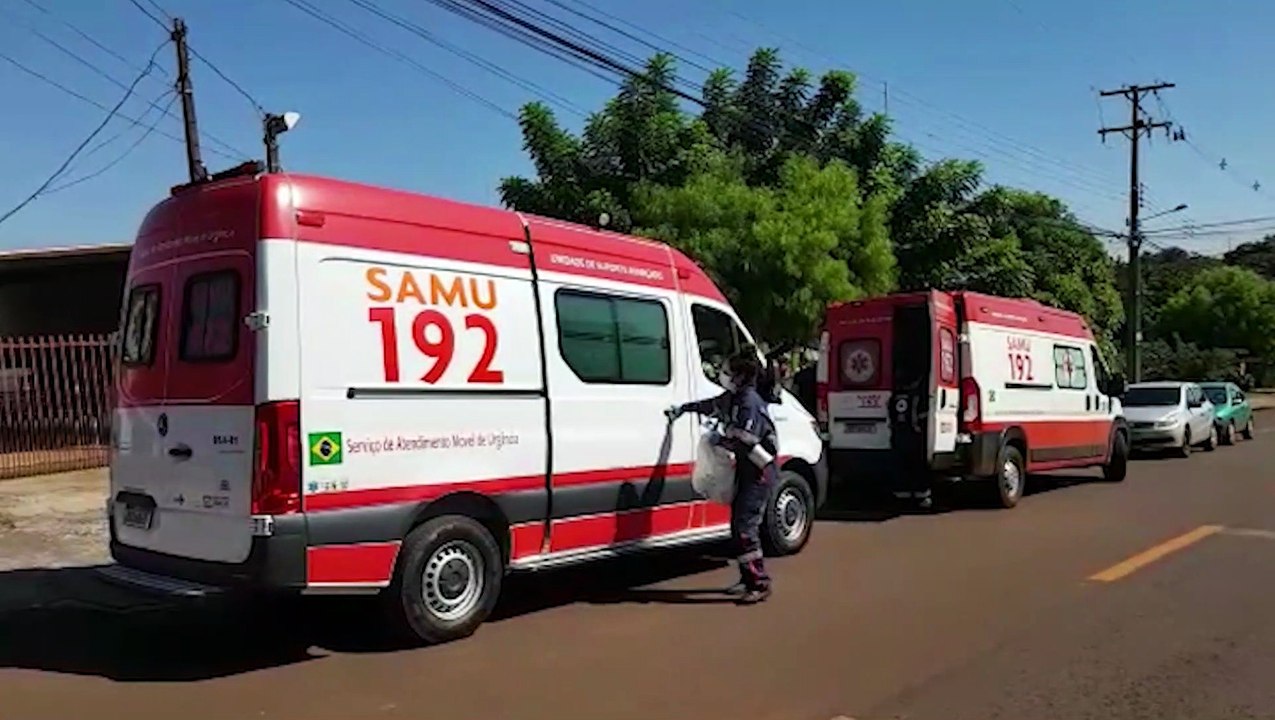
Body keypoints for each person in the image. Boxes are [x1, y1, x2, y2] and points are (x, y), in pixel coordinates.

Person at [666, 345, 778, 605]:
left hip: (759, 474)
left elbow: (746, 440)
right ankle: (748, 577)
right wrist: (684, 409)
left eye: (727, 372)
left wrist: (722, 439)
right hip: (747, 471)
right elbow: (711, 405)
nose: (723, 375)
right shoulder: (734, 398)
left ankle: (759, 583)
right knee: (738, 527)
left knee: (745, 528)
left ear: (740, 376)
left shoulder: (749, 402)